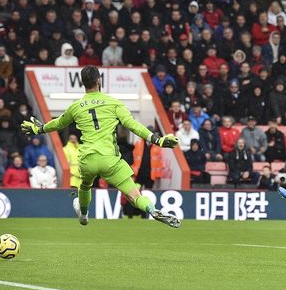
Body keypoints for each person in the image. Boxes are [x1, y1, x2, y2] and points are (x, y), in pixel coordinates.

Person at [21, 65, 180, 228]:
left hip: (88, 159)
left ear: (83, 83)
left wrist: (39, 129)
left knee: (85, 185)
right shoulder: (113, 103)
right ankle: (152, 209)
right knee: (134, 195)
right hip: (109, 160)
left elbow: (58, 123)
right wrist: (157, 140)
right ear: (99, 80)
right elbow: (132, 125)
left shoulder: (76, 106)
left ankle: (83, 214)